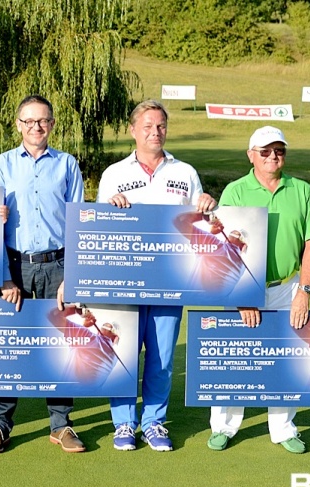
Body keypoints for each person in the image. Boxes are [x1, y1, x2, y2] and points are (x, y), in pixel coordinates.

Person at [97, 99, 216, 452]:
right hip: (123, 281)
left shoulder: (186, 173)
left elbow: (203, 223)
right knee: (124, 355)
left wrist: (209, 203)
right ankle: (123, 424)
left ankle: (153, 422)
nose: (155, 132)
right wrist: (109, 208)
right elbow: (97, 229)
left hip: (169, 282)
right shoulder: (114, 173)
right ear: (133, 130)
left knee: (162, 357)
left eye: (161, 125)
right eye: (147, 126)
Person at [207, 125, 310, 454]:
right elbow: (225, 248)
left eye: (279, 150)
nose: (274, 156)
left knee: (284, 357)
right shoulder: (235, 191)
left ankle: (283, 428)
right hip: (243, 288)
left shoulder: (301, 190)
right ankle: (224, 426)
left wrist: (304, 290)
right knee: (236, 359)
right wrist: (240, 295)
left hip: (287, 287)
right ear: (251, 156)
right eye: (266, 151)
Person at [0, 95, 86, 454]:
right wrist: (3, 277)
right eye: (28, 121)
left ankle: (61, 424)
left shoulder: (67, 164)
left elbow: (77, 224)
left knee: (61, 344)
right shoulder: (2, 165)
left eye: (42, 121)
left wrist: (71, 275)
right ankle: (0, 424)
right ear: (18, 124)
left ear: (52, 124)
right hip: (14, 267)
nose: (36, 127)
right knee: (9, 346)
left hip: (58, 265)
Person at [173, 210, 249, 295]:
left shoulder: (215, 245)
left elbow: (180, 220)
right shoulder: (242, 267)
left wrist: (205, 216)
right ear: (244, 247)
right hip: (218, 306)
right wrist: (211, 235)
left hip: (192, 302)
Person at [47, 305, 121, 386]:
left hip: (66, 393)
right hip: (89, 397)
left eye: (104, 325)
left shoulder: (88, 337)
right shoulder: (115, 358)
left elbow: (54, 315)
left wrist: (78, 309)